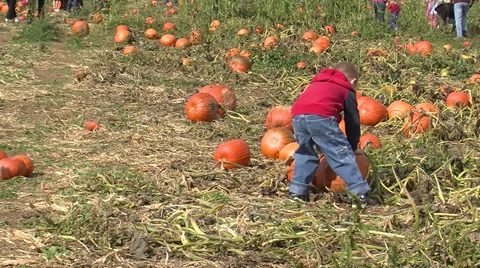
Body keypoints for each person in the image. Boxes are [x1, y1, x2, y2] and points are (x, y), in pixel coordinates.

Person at [288, 62, 371, 207]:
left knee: (304, 154)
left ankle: (297, 191)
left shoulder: (316, 83)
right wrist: (351, 145)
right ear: (354, 82)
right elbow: (352, 121)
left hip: (297, 115)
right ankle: (359, 193)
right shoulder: (347, 89)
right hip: (321, 117)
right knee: (340, 154)